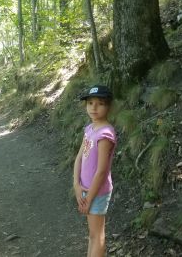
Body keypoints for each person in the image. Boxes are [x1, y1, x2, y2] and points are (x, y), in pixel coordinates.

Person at [73, 85, 117, 257]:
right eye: (90, 103)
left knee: (97, 235)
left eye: (100, 103)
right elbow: (79, 157)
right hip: (85, 189)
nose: (94, 107)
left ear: (109, 106)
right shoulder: (90, 129)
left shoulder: (105, 134)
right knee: (92, 234)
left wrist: (89, 198)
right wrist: (76, 185)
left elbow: (101, 171)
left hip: (97, 192)